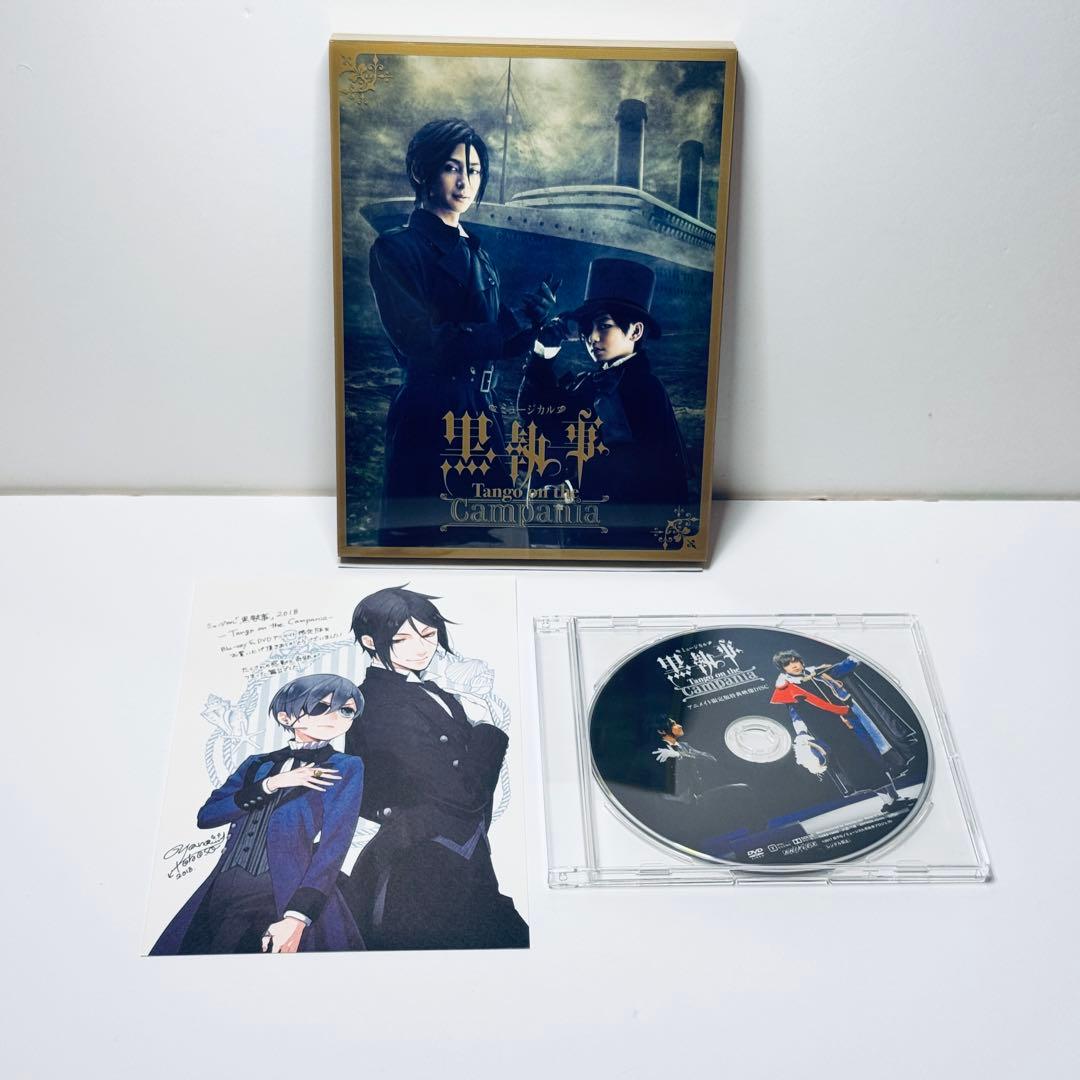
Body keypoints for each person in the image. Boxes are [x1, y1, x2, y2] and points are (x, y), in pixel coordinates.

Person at [368, 118, 558, 545]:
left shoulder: (477, 252)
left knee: (506, 543)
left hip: (482, 415)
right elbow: (421, 343)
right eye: (452, 168)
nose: (465, 182)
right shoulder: (396, 248)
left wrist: (532, 320)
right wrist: (507, 324)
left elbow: (495, 339)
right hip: (430, 418)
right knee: (427, 546)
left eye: (474, 171)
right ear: (422, 171)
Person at [342, 586, 528, 950]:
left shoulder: (429, 692)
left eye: (428, 635)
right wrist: (488, 730)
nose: (421, 648)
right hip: (421, 863)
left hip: (459, 854)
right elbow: (462, 793)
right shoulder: (380, 706)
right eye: (402, 639)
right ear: (369, 641)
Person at [150, 674, 366, 954]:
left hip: (283, 889)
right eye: (320, 707)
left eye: (346, 710)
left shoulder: (344, 766)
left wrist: (298, 916)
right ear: (286, 717)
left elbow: (334, 846)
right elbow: (207, 816)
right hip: (222, 885)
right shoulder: (257, 764)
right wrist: (271, 784)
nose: (335, 716)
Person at [517, 256, 690, 546]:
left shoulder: (645, 389)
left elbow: (660, 475)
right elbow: (534, 414)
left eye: (605, 326)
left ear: (636, 331)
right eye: (587, 328)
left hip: (624, 535)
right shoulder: (588, 381)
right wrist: (543, 353)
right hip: (581, 530)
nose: (592, 338)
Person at [770, 650, 915, 813]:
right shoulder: (788, 689)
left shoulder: (818, 673)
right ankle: (889, 801)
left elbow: (844, 667)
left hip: (852, 721)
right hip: (833, 732)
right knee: (863, 765)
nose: (793, 665)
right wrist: (803, 735)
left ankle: (894, 798)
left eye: (795, 661)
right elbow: (795, 715)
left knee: (875, 758)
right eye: (787, 664)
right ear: (783, 669)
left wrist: (860, 652)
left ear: (801, 661)